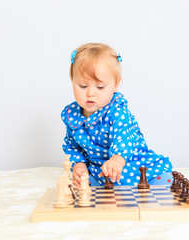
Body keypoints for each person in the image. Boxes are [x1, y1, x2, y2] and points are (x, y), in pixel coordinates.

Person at [61, 43, 173, 187]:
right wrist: (79, 164)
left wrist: (117, 159)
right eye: (82, 86)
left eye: (100, 87)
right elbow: (71, 144)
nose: (90, 93)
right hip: (99, 170)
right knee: (76, 185)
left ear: (115, 84)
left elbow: (123, 137)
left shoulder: (117, 111)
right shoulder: (73, 116)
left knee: (165, 182)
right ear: (72, 81)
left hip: (132, 163)